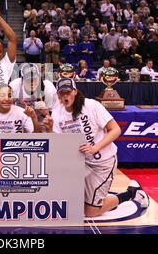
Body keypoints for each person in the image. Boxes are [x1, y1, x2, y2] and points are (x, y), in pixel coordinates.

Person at [43, 77, 149, 217]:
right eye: (62, 93)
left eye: (68, 92)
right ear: (57, 95)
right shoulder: (57, 112)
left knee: (90, 211)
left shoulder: (91, 105)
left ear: (75, 92)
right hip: (80, 163)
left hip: (102, 163)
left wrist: (95, 147)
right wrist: (50, 130)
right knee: (69, 202)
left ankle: (131, 193)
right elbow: (59, 145)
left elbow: (116, 130)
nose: (65, 96)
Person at [10, 63, 59, 133]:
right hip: (23, 119)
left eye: (35, 79)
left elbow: (56, 112)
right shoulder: (14, 86)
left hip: (42, 119)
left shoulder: (48, 87)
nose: (32, 83)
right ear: (22, 80)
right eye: (28, 79)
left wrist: (47, 113)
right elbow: (7, 109)